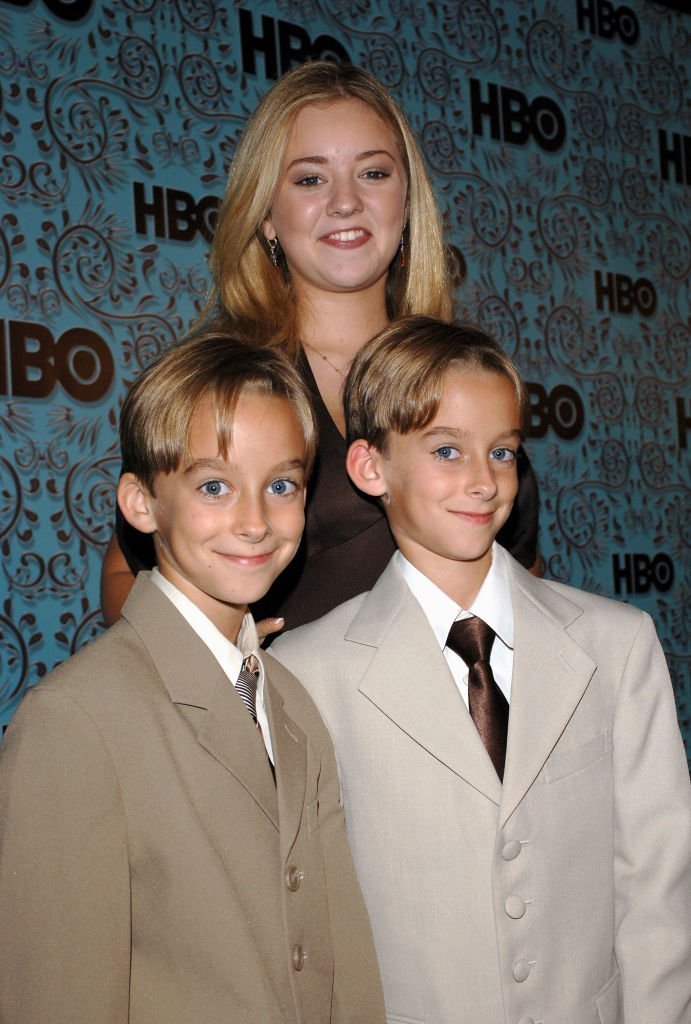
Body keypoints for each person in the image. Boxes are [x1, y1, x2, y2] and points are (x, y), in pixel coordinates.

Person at [271, 316, 691, 1024]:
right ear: (370, 467)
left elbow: (657, 885)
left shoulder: (616, 645)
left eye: (501, 453)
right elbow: (306, 917)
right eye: (445, 450)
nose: (482, 481)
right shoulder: (309, 672)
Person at [0, 333, 386, 1024]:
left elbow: (342, 955)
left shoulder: (291, 700)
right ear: (142, 504)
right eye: (214, 485)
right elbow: (57, 996)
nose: (254, 520)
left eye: (281, 485)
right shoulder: (76, 720)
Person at [101, 60, 541, 630]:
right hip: (286, 711)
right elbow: (124, 577)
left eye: (374, 174)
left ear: (406, 205)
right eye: (310, 178)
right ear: (266, 217)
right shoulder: (227, 386)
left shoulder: (465, 379)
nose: (345, 202)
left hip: (452, 709)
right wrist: (200, 655)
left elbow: (523, 573)